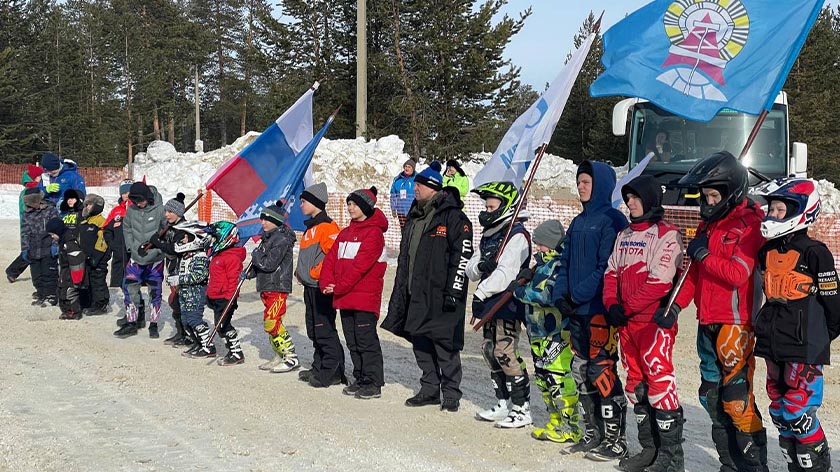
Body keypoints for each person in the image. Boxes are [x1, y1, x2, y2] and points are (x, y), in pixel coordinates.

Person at [669, 151, 768, 471]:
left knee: (736, 399)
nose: (707, 203)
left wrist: (705, 254)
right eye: (705, 196)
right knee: (710, 396)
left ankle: (753, 465)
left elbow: (738, 274)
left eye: (713, 195)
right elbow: (692, 275)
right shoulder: (708, 225)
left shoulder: (748, 225)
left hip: (735, 323)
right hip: (706, 319)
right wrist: (675, 306)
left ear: (731, 192)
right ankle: (729, 462)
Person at [754, 178, 839, 472]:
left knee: (797, 410)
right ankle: (795, 466)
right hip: (772, 341)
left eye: (779, 210)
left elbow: (834, 302)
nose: (772, 215)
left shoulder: (816, 252)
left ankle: (816, 467)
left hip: (804, 345)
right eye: (771, 209)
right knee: (779, 410)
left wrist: (820, 338)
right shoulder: (765, 252)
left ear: (800, 211)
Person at [603, 175, 685, 471]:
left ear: (650, 199)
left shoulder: (667, 234)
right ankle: (649, 449)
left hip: (652, 323)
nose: (630, 203)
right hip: (626, 324)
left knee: (659, 383)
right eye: (628, 198)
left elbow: (659, 282)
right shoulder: (624, 234)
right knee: (635, 384)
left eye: (635, 198)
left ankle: (671, 458)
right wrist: (611, 304)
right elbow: (611, 272)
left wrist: (626, 307)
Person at [552, 160, 629, 460]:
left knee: (602, 370)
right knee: (580, 370)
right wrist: (561, 295)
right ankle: (593, 431)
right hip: (575, 311)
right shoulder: (577, 221)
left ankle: (615, 437)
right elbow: (565, 262)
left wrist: (577, 295)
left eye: (586, 181)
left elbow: (605, 267)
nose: (581, 186)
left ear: (601, 185)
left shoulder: (612, 220)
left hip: (598, 309)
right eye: (579, 181)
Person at [382, 165, 473, 412]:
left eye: (419, 185)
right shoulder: (415, 215)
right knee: (420, 341)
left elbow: (462, 255)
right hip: (415, 291)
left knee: (444, 345)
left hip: (442, 293)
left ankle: (451, 393)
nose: (415, 188)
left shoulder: (453, 217)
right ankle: (430, 389)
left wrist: (454, 290)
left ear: (433, 188)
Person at [467, 181, 533, 429]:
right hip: (487, 300)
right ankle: (503, 401)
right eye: (486, 203)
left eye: (491, 203)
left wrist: (481, 293)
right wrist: (480, 267)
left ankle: (521, 407)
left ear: (505, 205)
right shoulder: (490, 233)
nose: (487, 207)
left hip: (506, 302)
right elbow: (471, 267)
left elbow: (507, 273)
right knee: (488, 349)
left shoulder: (517, 235)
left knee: (504, 352)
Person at [513, 219, 582, 444]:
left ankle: (570, 425)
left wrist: (521, 291)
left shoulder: (558, 265)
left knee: (558, 378)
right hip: (537, 333)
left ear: (551, 245)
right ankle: (555, 419)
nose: (538, 249)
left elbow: (546, 296)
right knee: (543, 379)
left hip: (555, 334)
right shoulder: (541, 266)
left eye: (541, 245)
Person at [320, 187, 388, 400]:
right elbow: (331, 259)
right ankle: (360, 377)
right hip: (346, 297)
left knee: (366, 340)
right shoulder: (345, 233)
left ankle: (373, 381)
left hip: (364, 297)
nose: (350, 208)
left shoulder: (374, 234)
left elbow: (360, 267)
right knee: (352, 340)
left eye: (354, 204)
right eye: (349, 204)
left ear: (365, 207)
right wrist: (326, 281)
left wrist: (338, 286)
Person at [295, 182, 345, 387]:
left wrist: (316, 273)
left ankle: (331, 371)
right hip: (310, 286)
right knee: (314, 330)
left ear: (315, 203)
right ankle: (320, 365)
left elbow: (334, 256)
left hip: (320, 287)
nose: (301, 206)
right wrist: (301, 272)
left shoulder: (327, 227)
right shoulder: (311, 227)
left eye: (304, 202)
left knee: (324, 329)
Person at [244, 203, 298, 373]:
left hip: (277, 286)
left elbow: (269, 264)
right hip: (267, 286)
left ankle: (290, 356)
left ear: (277, 221)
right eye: (262, 219)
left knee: (272, 322)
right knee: (271, 321)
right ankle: (278, 354)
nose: (263, 223)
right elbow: (262, 264)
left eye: (267, 220)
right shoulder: (268, 238)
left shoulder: (281, 240)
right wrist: (250, 273)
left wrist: (255, 255)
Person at [114, 181, 166, 339]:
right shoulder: (131, 210)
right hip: (136, 257)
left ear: (147, 197)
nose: (138, 204)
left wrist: (158, 247)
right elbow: (127, 228)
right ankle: (131, 323)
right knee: (130, 289)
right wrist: (131, 247)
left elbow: (167, 231)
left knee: (155, 292)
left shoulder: (160, 210)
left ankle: (154, 324)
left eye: (140, 201)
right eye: (135, 201)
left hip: (155, 259)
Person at [103, 180, 148, 329]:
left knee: (130, 286)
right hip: (119, 256)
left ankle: (134, 316)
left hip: (133, 256)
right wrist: (113, 244)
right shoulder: (116, 211)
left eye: (129, 192)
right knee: (124, 286)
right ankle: (135, 314)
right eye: (123, 193)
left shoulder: (138, 210)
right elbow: (106, 229)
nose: (126, 195)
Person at [166, 221, 214, 358]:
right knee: (185, 320)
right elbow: (180, 270)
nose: (183, 240)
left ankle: (208, 345)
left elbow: (199, 275)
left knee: (194, 320)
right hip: (184, 294)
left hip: (195, 295)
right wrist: (173, 277)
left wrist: (179, 279)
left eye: (187, 237)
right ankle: (198, 343)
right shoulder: (186, 256)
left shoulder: (200, 257)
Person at [146, 193, 189, 345]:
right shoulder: (170, 228)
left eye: (170, 212)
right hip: (172, 270)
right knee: (175, 302)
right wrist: (149, 244)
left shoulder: (184, 230)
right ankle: (180, 332)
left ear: (178, 212)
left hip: (181, 271)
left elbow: (173, 249)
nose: (167, 214)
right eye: (166, 211)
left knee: (179, 302)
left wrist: (157, 242)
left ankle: (187, 335)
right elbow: (163, 241)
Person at [206, 221, 247, 366]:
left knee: (223, 326)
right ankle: (232, 350)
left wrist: (230, 298)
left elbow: (233, 280)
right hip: (217, 295)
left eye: (215, 238)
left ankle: (236, 353)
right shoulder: (219, 255)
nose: (213, 241)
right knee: (220, 325)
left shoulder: (231, 257)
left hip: (226, 298)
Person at [21, 188, 59, 307]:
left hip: (48, 248)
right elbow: (25, 233)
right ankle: (41, 294)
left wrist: (55, 244)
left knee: (49, 274)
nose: (33, 205)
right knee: (37, 275)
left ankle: (51, 295)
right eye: (30, 203)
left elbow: (57, 228)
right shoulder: (27, 214)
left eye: (34, 202)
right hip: (34, 249)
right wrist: (25, 249)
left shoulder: (50, 210)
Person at [6, 162, 43, 283]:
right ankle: (12, 271)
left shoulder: (35, 189)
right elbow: (25, 210)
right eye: (38, 176)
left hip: (36, 224)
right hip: (30, 226)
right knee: (30, 250)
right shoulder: (27, 192)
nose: (40, 178)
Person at [46, 217, 86, 320]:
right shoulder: (63, 241)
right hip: (65, 271)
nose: (52, 237)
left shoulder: (70, 242)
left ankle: (74, 312)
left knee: (69, 292)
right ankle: (66, 310)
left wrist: (77, 278)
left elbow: (77, 261)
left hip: (72, 272)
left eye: (53, 235)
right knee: (61, 290)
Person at [78, 194, 111, 315]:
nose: (87, 207)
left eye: (90, 205)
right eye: (86, 205)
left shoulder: (101, 222)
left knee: (97, 281)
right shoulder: (84, 222)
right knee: (87, 281)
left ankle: (100, 304)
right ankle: (88, 302)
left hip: (98, 258)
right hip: (86, 258)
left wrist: (96, 256)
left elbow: (103, 240)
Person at [389, 158, 417, 230]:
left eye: (409, 167)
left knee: (412, 230)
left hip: (414, 210)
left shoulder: (417, 179)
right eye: (406, 166)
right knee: (404, 230)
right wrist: (393, 208)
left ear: (413, 169)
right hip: (401, 210)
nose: (407, 168)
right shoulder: (397, 180)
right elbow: (393, 195)